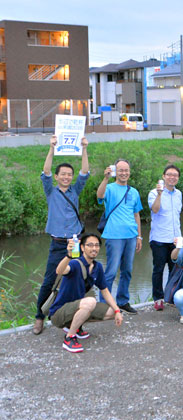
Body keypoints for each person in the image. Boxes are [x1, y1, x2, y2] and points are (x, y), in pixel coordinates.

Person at [34, 135, 90, 335]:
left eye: (69, 174)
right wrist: (51, 148)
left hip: (75, 243)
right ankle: (39, 316)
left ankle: (74, 318)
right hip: (58, 244)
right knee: (50, 280)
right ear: (57, 177)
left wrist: (84, 148)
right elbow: (46, 172)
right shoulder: (51, 191)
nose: (66, 177)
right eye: (63, 174)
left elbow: (85, 172)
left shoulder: (75, 191)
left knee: (77, 281)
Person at [49, 234, 123, 353]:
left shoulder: (97, 267)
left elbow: (105, 291)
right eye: (90, 245)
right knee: (90, 301)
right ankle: (69, 337)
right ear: (82, 248)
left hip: (78, 307)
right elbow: (60, 270)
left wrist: (117, 310)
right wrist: (68, 255)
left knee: (112, 313)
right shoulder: (75, 264)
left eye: (97, 245)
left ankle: (75, 326)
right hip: (59, 313)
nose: (94, 248)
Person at [96, 159, 143, 315]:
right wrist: (105, 178)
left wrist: (139, 237)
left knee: (127, 270)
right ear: (116, 171)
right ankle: (104, 304)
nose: (124, 173)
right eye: (121, 170)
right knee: (110, 271)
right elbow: (99, 195)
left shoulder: (134, 192)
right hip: (114, 235)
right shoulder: (109, 188)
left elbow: (136, 215)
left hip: (131, 235)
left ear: (130, 172)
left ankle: (122, 301)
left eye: (126, 170)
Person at [148, 165, 182, 311]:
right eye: (169, 174)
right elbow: (154, 209)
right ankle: (158, 298)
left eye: (175, 175)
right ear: (163, 176)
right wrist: (160, 194)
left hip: (175, 238)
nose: (172, 177)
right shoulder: (154, 193)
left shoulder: (179, 194)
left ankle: (171, 295)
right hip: (159, 238)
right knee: (158, 269)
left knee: (175, 269)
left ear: (178, 178)